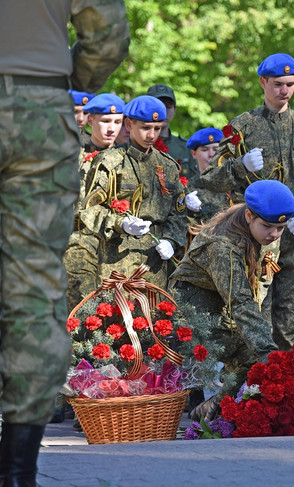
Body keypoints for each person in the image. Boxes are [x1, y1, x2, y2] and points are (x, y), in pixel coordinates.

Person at [0, 1, 129, 484]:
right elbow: (108, 34)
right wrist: (66, 82)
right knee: (32, 291)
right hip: (39, 108)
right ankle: (17, 469)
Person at [200, 53, 294, 350]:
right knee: (252, 315)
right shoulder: (243, 126)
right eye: (277, 84)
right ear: (263, 82)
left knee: (290, 318)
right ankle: (252, 386)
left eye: (290, 84)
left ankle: (285, 383)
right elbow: (209, 178)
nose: (284, 90)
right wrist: (240, 166)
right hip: (253, 242)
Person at [170, 180, 294, 421]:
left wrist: (264, 343)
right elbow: (240, 301)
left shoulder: (265, 229)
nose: (275, 234)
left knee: (254, 353)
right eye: (268, 227)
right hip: (193, 307)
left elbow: (259, 285)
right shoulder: (223, 245)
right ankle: (210, 408)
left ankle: (212, 407)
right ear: (249, 215)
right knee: (255, 356)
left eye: (281, 228)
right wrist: (268, 354)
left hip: (223, 301)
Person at [65, 95, 188, 309]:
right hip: (117, 259)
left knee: (154, 323)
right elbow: (90, 210)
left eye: (157, 129)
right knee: (117, 325)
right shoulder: (109, 161)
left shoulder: (167, 166)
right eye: (145, 128)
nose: (151, 135)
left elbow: (178, 212)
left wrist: (171, 240)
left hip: (155, 261)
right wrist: (120, 224)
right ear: (129, 124)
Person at [75, 93, 125, 202]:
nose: (112, 128)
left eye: (117, 122)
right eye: (106, 121)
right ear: (90, 120)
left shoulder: (127, 160)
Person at [146, 83, 194, 178]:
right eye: (158, 106)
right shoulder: (135, 145)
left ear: (174, 109)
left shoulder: (186, 148)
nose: (163, 111)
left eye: (167, 106)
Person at [185, 127, 228, 225]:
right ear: (194, 154)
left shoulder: (234, 184)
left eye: (215, 149)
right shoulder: (187, 188)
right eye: (205, 150)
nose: (211, 154)